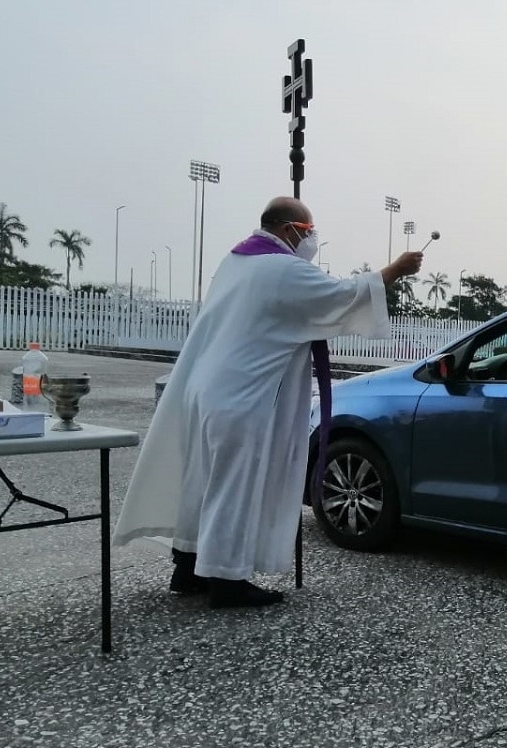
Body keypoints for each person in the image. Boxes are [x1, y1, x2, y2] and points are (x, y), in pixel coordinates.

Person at [113, 197, 423, 608]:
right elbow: (343, 295)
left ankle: (187, 568)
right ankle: (226, 579)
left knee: (202, 483)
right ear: (290, 229)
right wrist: (395, 270)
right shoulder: (282, 269)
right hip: (242, 397)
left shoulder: (235, 263)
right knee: (233, 486)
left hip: (206, 390)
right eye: (309, 231)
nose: (312, 238)